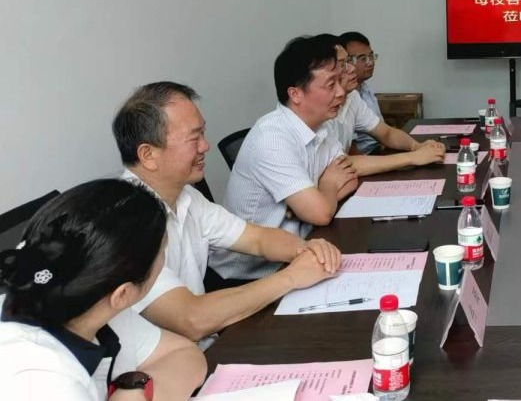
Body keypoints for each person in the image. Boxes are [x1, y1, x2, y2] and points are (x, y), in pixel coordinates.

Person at [113, 81, 342, 341]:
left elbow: (257, 238)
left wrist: (309, 250)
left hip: (203, 345)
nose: (205, 146)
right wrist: (291, 277)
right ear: (148, 154)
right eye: (194, 138)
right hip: (171, 361)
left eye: (203, 133)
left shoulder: (186, 196)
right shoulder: (124, 224)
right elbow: (190, 319)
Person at [0, 179, 206, 400]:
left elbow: (183, 353)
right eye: (163, 251)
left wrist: (134, 390)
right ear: (123, 294)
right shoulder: (41, 381)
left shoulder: (90, 304)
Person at [213, 35, 363, 280]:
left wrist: (314, 201)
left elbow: (349, 177)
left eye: (339, 81)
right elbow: (321, 213)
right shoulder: (272, 138)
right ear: (295, 94)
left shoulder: (319, 126)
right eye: (330, 84)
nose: (340, 92)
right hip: (249, 275)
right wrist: (326, 186)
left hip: (300, 251)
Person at [330, 37, 445, 174]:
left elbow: (386, 133)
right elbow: (343, 163)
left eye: (349, 61)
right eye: (343, 64)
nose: (352, 68)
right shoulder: (321, 109)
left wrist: (417, 146)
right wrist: (413, 157)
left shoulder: (352, 96)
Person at [336, 31, 383, 153]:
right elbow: (352, 153)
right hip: (363, 158)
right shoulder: (336, 100)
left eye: (371, 56)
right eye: (362, 59)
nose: (370, 63)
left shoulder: (363, 89)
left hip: (377, 151)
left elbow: (385, 132)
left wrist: (416, 147)